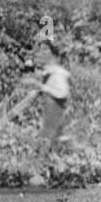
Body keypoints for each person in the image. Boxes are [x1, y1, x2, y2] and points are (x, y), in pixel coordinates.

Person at [27, 39, 70, 168]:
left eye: (45, 50)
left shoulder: (59, 74)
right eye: (40, 50)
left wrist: (42, 87)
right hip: (48, 126)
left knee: (49, 149)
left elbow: (62, 93)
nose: (41, 54)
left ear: (54, 56)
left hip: (54, 126)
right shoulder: (49, 73)